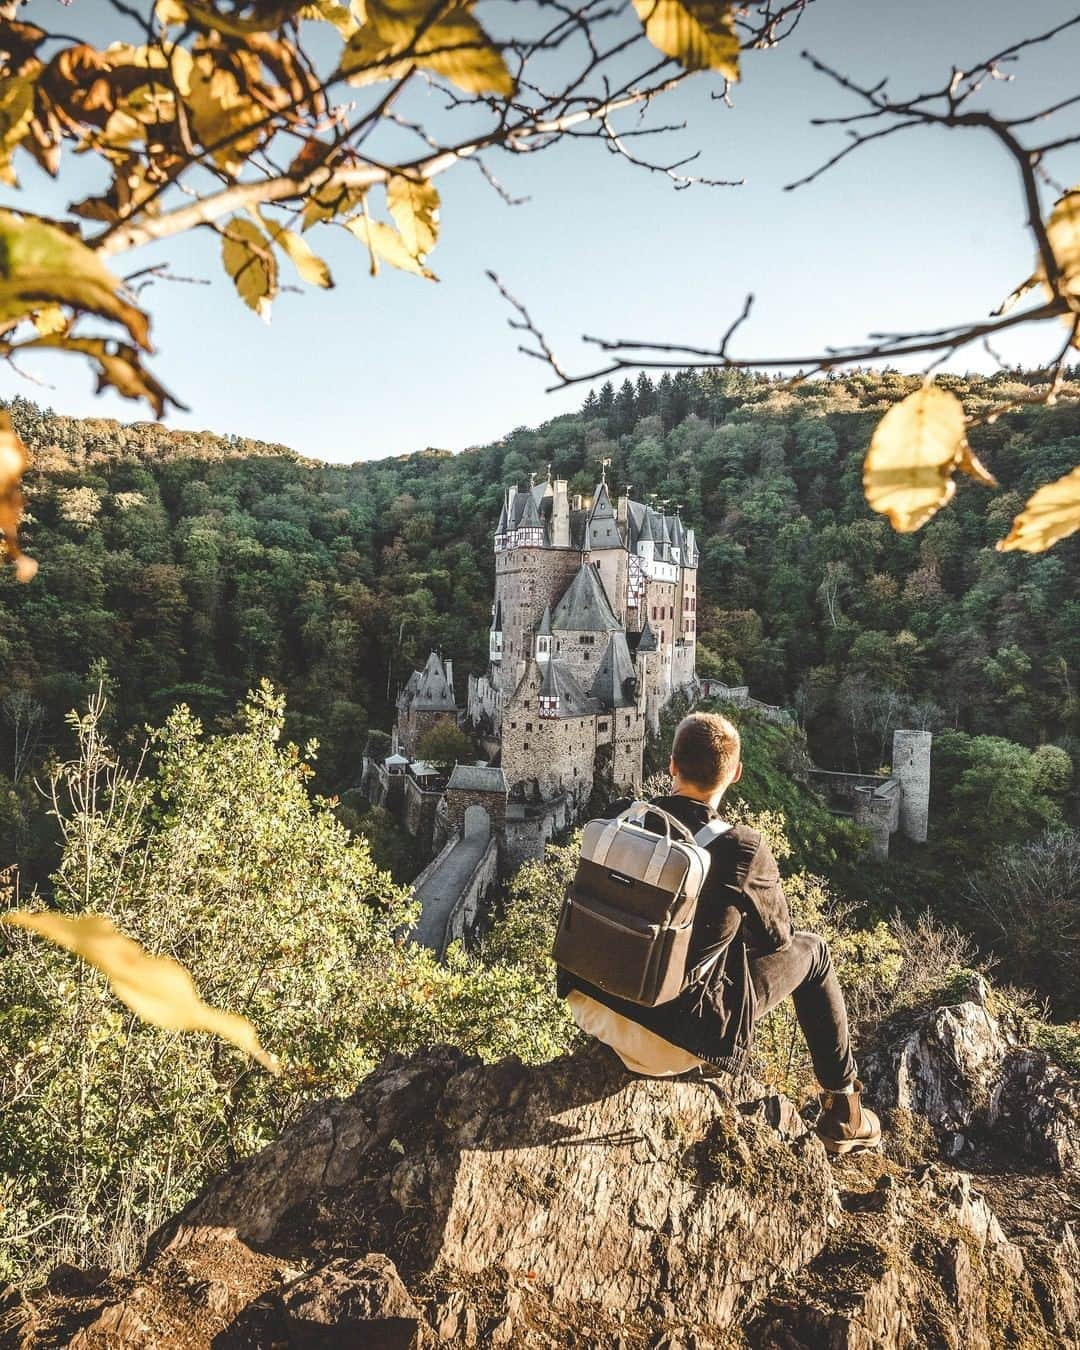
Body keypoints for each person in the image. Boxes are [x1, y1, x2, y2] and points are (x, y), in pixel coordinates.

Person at [557, 711, 881, 1155]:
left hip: (590, 1004)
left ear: (671, 765)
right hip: (671, 1038)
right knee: (814, 952)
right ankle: (845, 1111)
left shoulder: (621, 817)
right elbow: (776, 941)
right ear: (736, 774)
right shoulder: (741, 847)